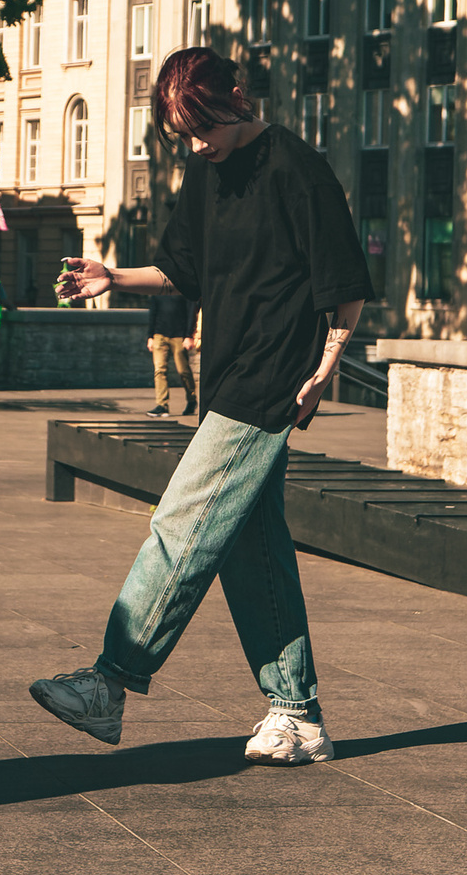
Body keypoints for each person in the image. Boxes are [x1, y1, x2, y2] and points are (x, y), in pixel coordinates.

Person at [29, 48, 372, 765]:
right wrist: (113, 276)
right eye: (182, 135)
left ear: (236, 97)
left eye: (203, 128)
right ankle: (297, 714)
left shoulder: (298, 169)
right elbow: (181, 271)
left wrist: (326, 366)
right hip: (223, 375)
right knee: (253, 548)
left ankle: (110, 682)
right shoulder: (204, 174)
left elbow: (346, 284)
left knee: (180, 523)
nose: (196, 145)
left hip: (273, 378)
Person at [144, 289, 199, 417]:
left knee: (183, 371)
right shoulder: (159, 290)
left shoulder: (183, 289)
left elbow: (191, 312)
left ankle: (191, 400)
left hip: (179, 336)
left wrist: (189, 336)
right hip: (159, 335)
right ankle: (162, 405)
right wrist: (150, 336)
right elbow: (153, 312)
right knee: (159, 370)